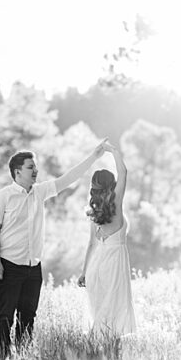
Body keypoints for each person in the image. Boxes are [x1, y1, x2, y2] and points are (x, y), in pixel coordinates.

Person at [0, 139, 111, 360]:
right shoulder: (1, 197)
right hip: (8, 265)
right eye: (30, 167)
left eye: (35, 167)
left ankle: (22, 358)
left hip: (33, 268)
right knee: (5, 315)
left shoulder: (40, 192)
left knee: (28, 316)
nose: (36, 171)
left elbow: (69, 179)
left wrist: (94, 157)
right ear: (17, 172)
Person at [78, 143, 136, 336]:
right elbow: (124, 172)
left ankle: (97, 352)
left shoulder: (94, 210)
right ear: (112, 184)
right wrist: (114, 152)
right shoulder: (116, 201)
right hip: (113, 262)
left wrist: (84, 273)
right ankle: (102, 351)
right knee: (113, 312)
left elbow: (91, 244)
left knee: (102, 312)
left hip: (96, 265)